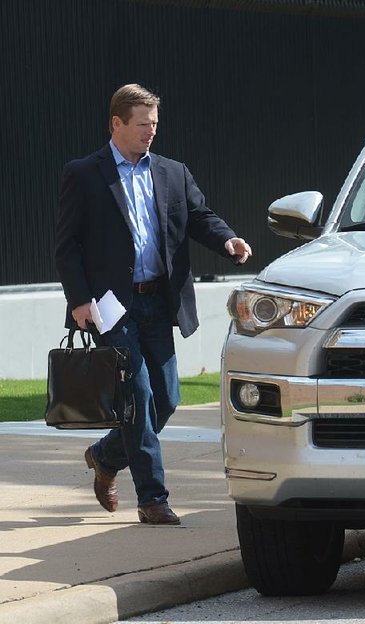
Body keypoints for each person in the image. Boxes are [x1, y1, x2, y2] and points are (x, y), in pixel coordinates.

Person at [54, 84, 252, 525]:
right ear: (117, 124)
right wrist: (79, 300)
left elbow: (199, 217)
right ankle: (153, 498)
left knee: (166, 397)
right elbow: (67, 246)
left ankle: (105, 456)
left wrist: (227, 239)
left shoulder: (172, 172)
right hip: (112, 307)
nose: (150, 133)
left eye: (155, 125)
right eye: (143, 125)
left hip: (159, 302)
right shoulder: (85, 174)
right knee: (138, 395)